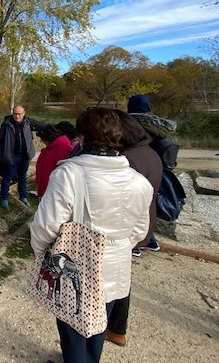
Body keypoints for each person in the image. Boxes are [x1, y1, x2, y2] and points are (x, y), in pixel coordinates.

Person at [30, 107, 152, 363]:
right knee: (98, 326)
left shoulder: (68, 175)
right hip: (117, 267)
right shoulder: (140, 181)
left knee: (73, 329)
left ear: (82, 138)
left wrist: (41, 252)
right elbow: (140, 231)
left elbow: (45, 226)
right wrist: (117, 246)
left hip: (78, 266)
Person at [104, 110, 163, 347]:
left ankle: (108, 327)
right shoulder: (149, 153)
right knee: (121, 275)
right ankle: (116, 328)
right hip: (141, 222)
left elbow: (118, 197)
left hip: (125, 226)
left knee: (112, 280)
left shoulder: (127, 160)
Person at [127, 94, 177, 254]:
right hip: (156, 166)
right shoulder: (159, 125)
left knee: (133, 204)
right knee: (150, 203)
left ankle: (136, 243)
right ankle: (150, 240)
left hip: (136, 164)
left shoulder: (129, 124)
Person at [0, 105, 48, 209]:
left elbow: (42, 125)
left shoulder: (28, 122)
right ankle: (4, 199)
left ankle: (23, 197)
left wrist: (56, 127)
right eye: (15, 113)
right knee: (7, 178)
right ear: (12, 113)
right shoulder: (6, 124)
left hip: (24, 156)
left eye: (19, 114)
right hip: (11, 156)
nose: (17, 116)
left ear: (24, 113)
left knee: (22, 178)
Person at [35, 125, 73, 198]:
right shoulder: (51, 148)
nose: (43, 142)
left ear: (47, 138)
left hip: (55, 192)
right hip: (48, 189)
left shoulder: (63, 149)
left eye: (42, 140)